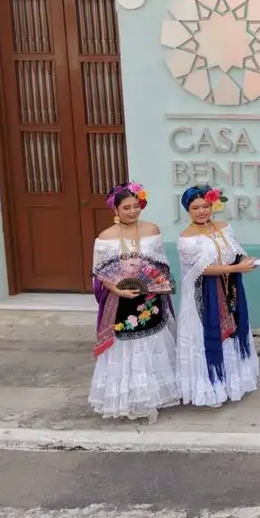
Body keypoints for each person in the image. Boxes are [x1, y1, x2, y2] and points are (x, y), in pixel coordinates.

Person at [88, 181, 180, 422]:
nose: (133, 211)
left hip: (150, 297)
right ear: (115, 210)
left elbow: (162, 265)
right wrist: (117, 289)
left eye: (136, 206)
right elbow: (99, 273)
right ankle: (130, 399)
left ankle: (155, 396)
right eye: (126, 207)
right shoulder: (105, 238)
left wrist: (155, 283)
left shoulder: (152, 230)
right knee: (126, 347)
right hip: (120, 300)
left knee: (153, 344)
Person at [175, 184, 260, 408]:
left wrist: (245, 262)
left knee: (233, 333)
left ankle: (235, 383)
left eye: (205, 206)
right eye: (196, 208)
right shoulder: (186, 238)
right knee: (208, 336)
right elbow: (201, 269)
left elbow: (237, 253)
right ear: (188, 210)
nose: (202, 211)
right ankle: (212, 388)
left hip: (229, 290)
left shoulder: (224, 227)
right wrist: (235, 270)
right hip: (203, 297)